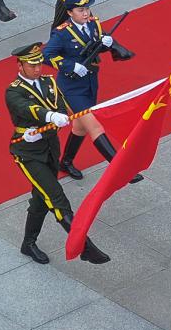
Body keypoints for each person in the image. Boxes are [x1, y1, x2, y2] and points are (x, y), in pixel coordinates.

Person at [7, 42, 110, 265]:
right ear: (20, 65)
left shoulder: (49, 82)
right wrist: (50, 116)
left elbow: (61, 105)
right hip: (28, 152)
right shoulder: (14, 90)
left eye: (38, 64)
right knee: (56, 198)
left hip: (50, 148)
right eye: (32, 65)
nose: (37, 69)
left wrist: (59, 116)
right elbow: (27, 109)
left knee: (41, 198)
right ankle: (84, 246)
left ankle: (28, 243)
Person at [43, 0, 140, 181]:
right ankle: (122, 169)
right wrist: (71, 66)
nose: (85, 13)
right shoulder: (62, 33)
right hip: (71, 87)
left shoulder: (93, 24)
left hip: (90, 82)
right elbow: (47, 55)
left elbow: (94, 47)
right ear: (70, 13)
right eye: (80, 10)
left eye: (87, 8)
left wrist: (107, 45)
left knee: (80, 127)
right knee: (94, 126)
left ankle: (66, 162)